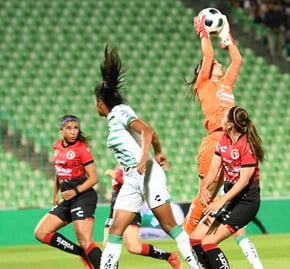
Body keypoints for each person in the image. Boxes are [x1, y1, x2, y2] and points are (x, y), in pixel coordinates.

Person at [94, 45, 200, 269]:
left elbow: (148, 130)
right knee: (115, 229)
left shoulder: (121, 111)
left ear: (100, 103)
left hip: (147, 173)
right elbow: (152, 135)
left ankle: (196, 266)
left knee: (169, 225)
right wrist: (159, 151)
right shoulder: (114, 120)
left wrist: (145, 158)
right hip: (132, 178)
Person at [184, 14, 265, 268]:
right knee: (206, 194)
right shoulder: (204, 82)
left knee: (220, 196)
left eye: (219, 63)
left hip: (232, 140)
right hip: (215, 140)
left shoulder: (226, 84)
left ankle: (195, 241)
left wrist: (226, 37)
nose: (217, 64)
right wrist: (203, 33)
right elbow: (207, 57)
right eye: (214, 63)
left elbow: (238, 59)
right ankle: (188, 237)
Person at [195, 106, 265, 268]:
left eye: (225, 118)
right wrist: (203, 188)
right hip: (232, 200)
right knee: (198, 241)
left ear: (230, 124)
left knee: (209, 243)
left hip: (246, 202)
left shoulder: (247, 146)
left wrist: (221, 201)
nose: (222, 120)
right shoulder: (224, 139)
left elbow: (244, 181)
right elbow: (213, 170)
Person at [34, 115, 102, 269]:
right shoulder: (57, 146)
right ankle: (83, 254)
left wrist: (75, 191)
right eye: (69, 128)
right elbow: (60, 171)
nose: (73, 132)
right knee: (41, 233)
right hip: (68, 198)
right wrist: (55, 193)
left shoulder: (81, 149)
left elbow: (93, 178)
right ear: (61, 130)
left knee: (85, 240)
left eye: (76, 128)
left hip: (83, 196)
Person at [103, 164, 181, 268]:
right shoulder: (119, 165)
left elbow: (137, 182)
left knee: (133, 247)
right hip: (114, 210)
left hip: (129, 209)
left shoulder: (133, 163)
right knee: (107, 245)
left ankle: (169, 256)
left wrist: (116, 177)